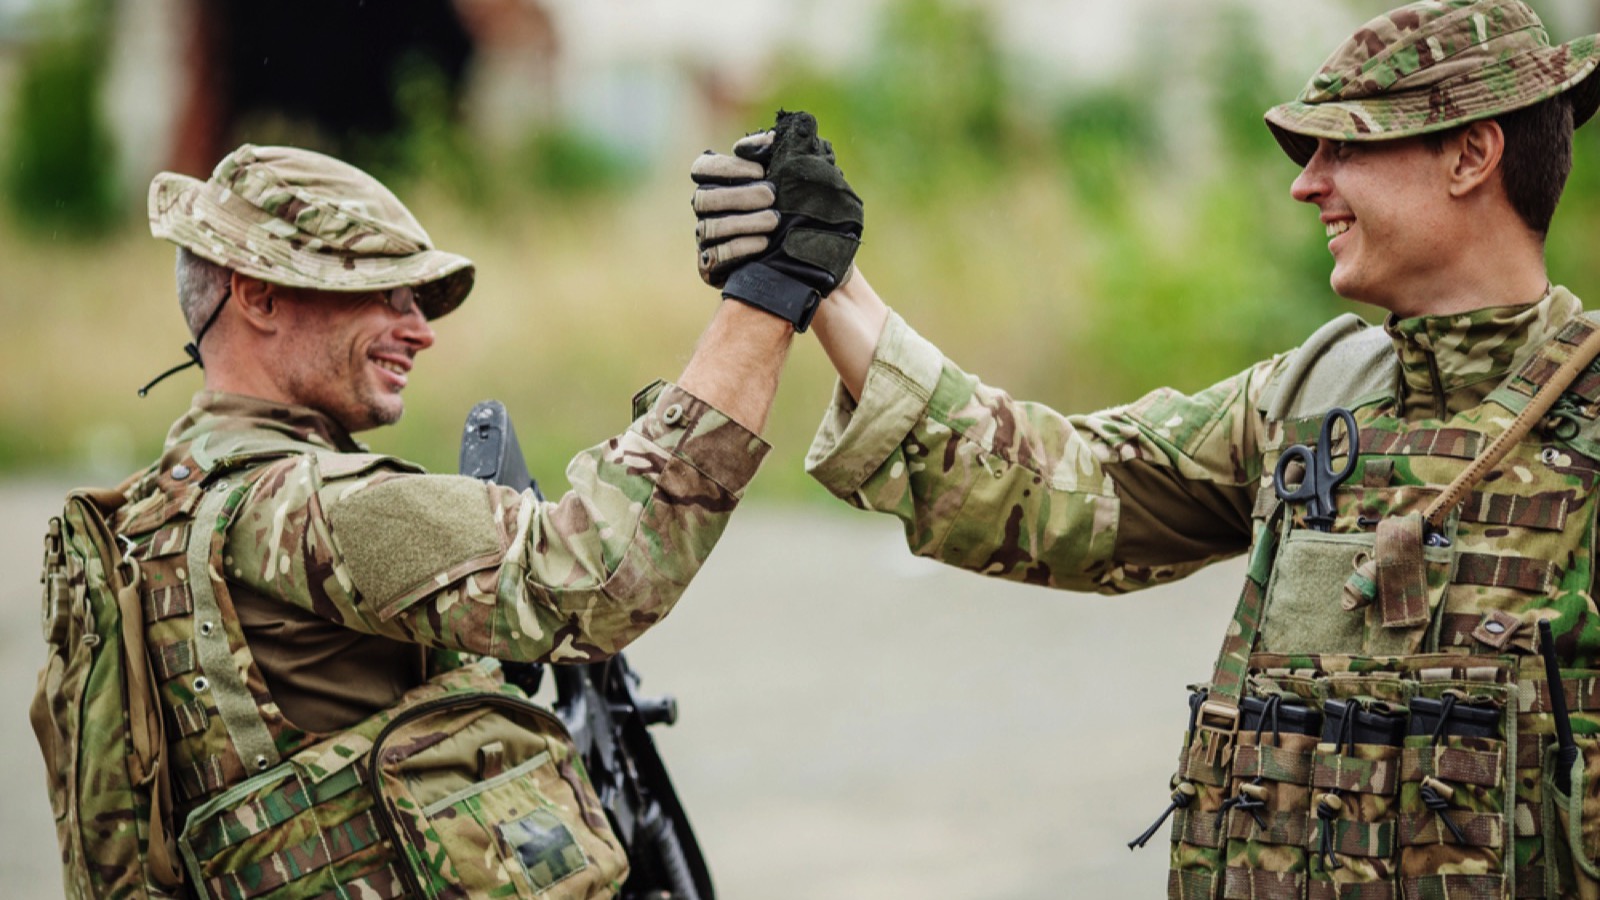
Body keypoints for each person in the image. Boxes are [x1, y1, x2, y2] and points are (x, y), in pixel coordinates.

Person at [695, 1, 1600, 897]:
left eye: (1346, 149)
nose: (1308, 184)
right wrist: (834, 285)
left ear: (1473, 155)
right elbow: (1059, 487)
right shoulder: (1310, 401)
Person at [36, 134, 850, 898]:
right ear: (258, 296)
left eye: (416, 297)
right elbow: (595, 574)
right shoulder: (312, 507)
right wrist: (769, 295)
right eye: (379, 293)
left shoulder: (158, 517)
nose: (419, 330)